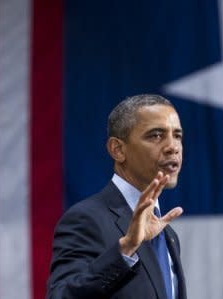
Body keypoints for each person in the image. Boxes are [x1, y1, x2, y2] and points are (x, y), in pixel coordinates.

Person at [46, 94, 186, 299]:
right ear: (118, 149)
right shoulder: (87, 219)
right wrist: (126, 249)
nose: (173, 146)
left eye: (177, 135)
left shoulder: (168, 236)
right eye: (156, 135)